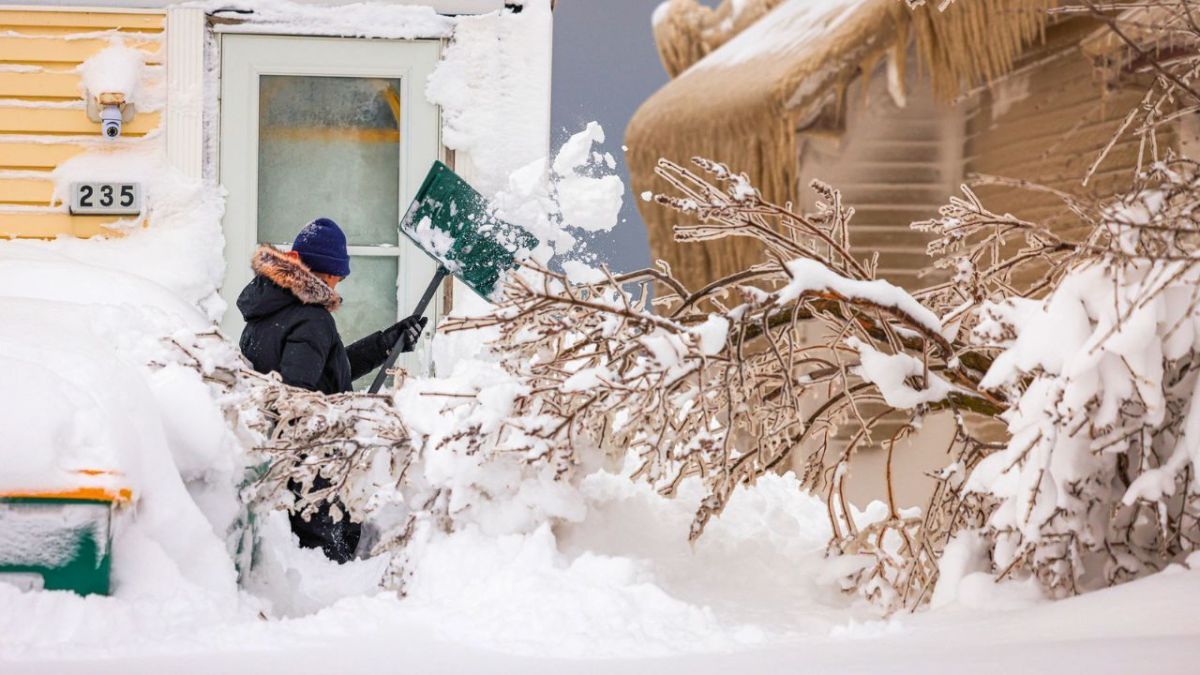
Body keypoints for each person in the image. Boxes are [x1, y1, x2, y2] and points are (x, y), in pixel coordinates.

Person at [237, 217, 426, 563]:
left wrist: (385, 344)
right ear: (314, 270)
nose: (338, 284)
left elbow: (322, 372)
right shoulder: (311, 318)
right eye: (334, 275)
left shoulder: (267, 310)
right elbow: (298, 403)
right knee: (328, 566)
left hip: (281, 465)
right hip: (313, 475)